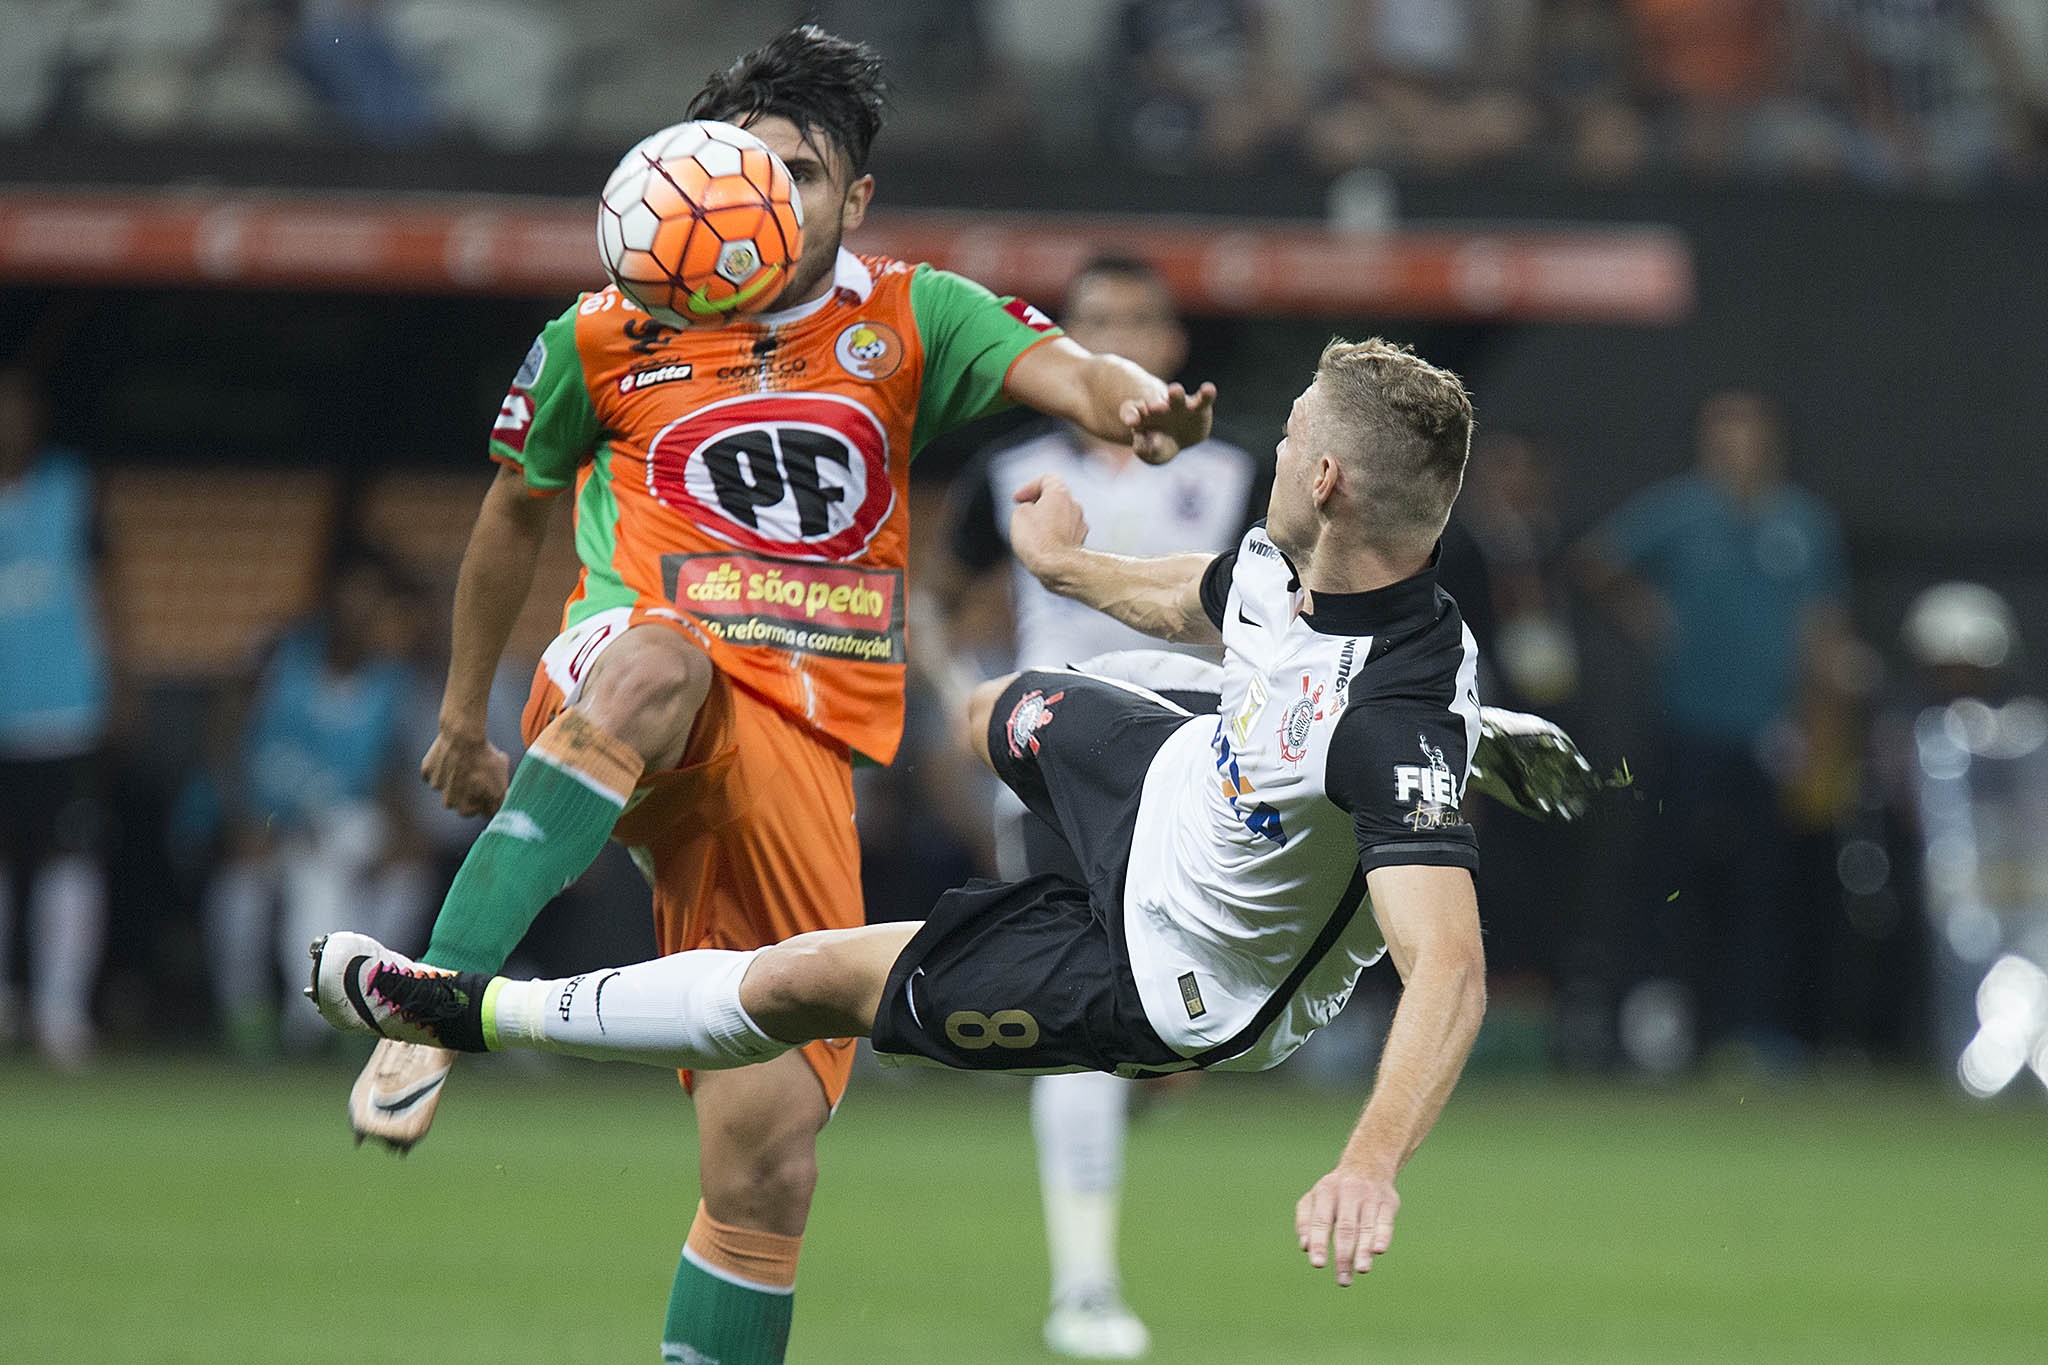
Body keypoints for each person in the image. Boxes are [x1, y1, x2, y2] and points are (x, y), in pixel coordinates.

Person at [311, 339, 1598, 1310]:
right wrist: (1062, 572)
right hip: (1174, 791)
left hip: (1175, 974)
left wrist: (1369, 1161)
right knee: (986, 708)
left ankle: (459, 1010)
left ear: (1323, 478)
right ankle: (1380, 763)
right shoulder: (1291, 560)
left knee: (809, 980)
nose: (1263, 460)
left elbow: (1453, 972)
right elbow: (1212, 604)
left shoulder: (1390, 719)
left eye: (1286, 444)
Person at [350, 26, 1216, 1365]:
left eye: (801, 175)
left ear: (855, 200)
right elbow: (511, 521)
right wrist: (464, 716)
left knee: (765, 1172)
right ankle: (437, 1002)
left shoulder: (909, 315)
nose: (762, 198)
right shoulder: (601, 329)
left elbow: (1070, 373)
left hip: (803, 749)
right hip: (640, 678)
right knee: (655, 661)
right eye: (739, 167)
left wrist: (1137, 404)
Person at [941, 253, 1260, 1359]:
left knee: (1180, 1029)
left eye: (1139, 319)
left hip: (1205, 763)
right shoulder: (1013, 470)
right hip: (1057, 754)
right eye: (1096, 320)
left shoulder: (1235, 477)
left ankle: (1147, 1071)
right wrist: (953, 706)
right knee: (1080, 1020)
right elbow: (934, 598)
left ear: (1171, 346)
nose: (1119, 335)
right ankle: (1082, 1287)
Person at [1576, 387, 1854, 1072]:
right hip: (1687, 727)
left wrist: (1826, 715)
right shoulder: (1681, 511)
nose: (1736, 450)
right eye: (1724, 437)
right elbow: (1597, 561)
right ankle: (1656, 1025)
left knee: (1767, 887)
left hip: (1771, 735)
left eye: (1748, 436)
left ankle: (1753, 1031)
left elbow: (1821, 625)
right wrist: (1648, 617)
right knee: (1670, 878)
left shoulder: (1803, 523)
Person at [204, 544, 430, 1058]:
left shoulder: (393, 683)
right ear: (328, 598)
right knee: (241, 889)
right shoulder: (278, 656)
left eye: (376, 602)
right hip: (262, 821)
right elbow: (224, 737)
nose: (363, 613)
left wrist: (403, 835)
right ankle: (248, 1014)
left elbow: (393, 776)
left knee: (401, 871)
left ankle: (364, 1005)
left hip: (339, 825)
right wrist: (241, 816)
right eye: (354, 597)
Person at [0, 365, 111, 1071]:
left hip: (65, 711)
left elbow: (107, 587)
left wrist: (119, 676)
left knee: (70, 863)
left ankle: (61, 1012)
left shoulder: (73, 489)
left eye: (17, 406)